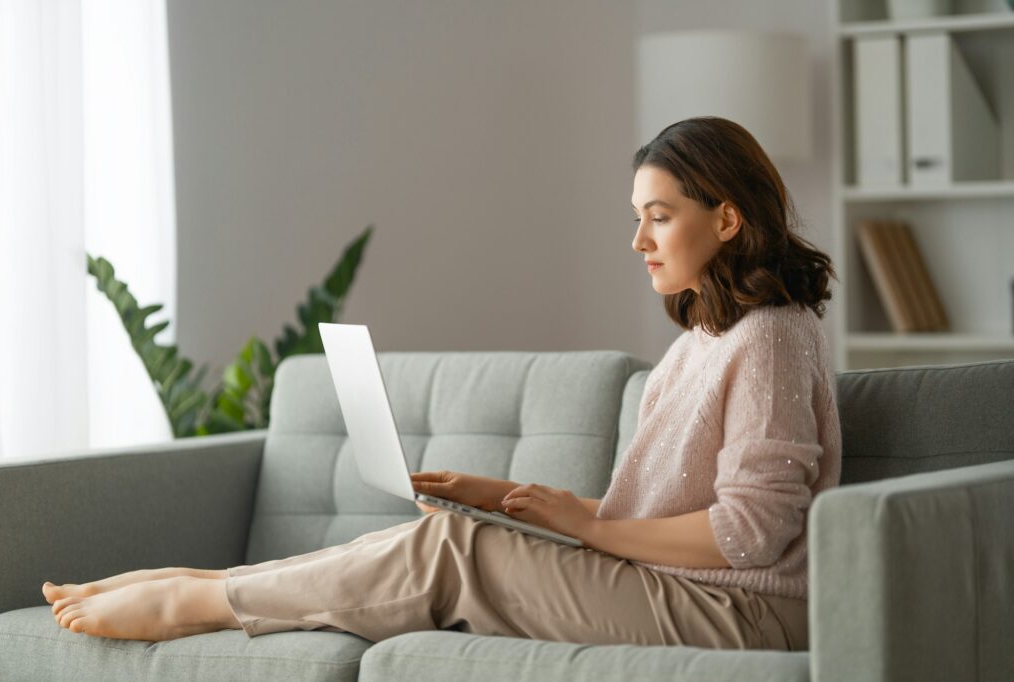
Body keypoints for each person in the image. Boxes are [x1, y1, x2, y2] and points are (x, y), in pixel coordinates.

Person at [42, 116, 842, 650]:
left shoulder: (770, 337)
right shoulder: (708, 337)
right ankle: (214, 581)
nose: (637, 239)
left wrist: (585, 526)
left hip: (742, 615)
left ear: (728, 220)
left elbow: (749, 535)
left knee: (449, 548)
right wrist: (512, 498)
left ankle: (197, 605)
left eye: (659, 216)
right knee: (440, 532)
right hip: (681, 587)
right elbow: (670, 520)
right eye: (637, 216)